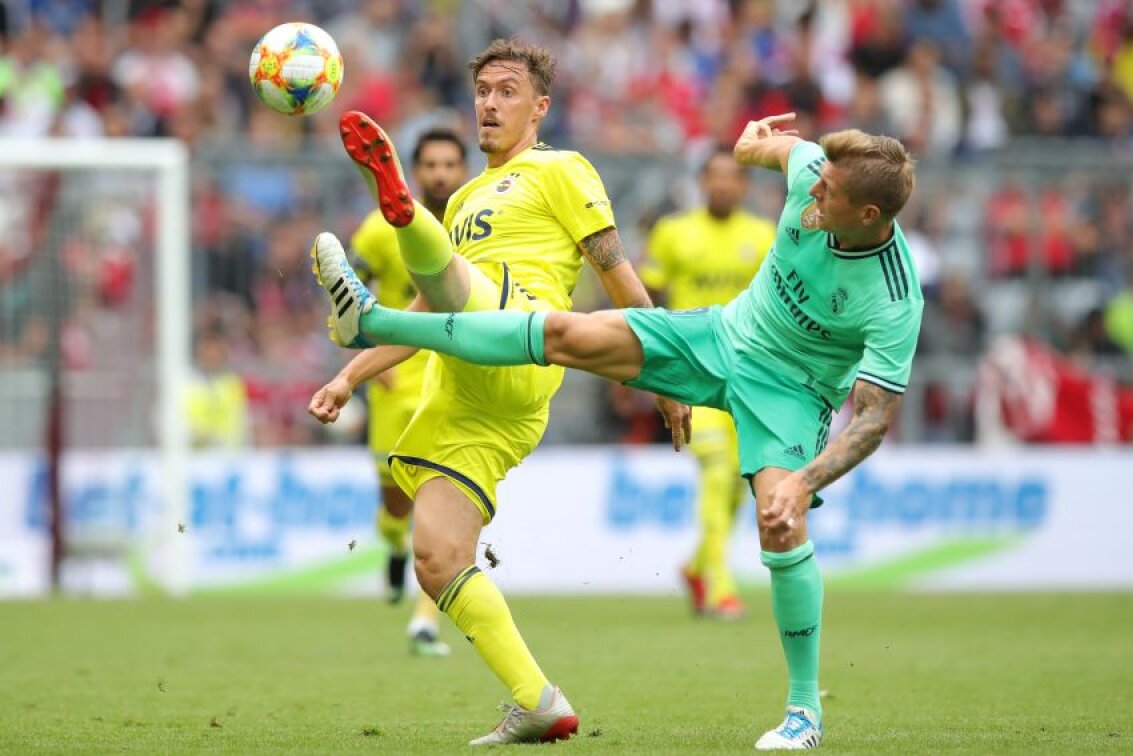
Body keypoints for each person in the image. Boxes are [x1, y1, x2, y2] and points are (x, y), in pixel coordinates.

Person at [312, 114, 923, 751]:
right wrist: (751, 141)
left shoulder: (894, 296)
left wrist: (803, 481)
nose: (813, 197)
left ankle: (804, 713)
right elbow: (759, 148)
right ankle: (372, 322)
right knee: (561, 331)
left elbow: (874, 420)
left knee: (780, 523)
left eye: (829, 197)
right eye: (816, 181)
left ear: (871, 214)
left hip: (791, 395)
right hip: (721, 337)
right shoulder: (810, 174)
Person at [308, 38, 687, 746]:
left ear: (540, 108)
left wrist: (665, 373)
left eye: (508, 90)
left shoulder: (562, 169)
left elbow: (618, 275)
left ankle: (396, 216)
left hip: (523, 336)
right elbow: (434, 312)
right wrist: (349, 375)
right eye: (482, 90)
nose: (489, 102)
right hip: (465, 396)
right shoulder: (469, 199)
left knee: (458, 281)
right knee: (437, 557)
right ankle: (539, 701)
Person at [348, 127, 469, 657]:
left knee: (438, 499)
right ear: (414, 172)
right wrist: (367, 360)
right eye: (431, 165)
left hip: (454, 377)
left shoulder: (478, 224)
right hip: (394, 380)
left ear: (463, 170)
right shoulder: (379, 229)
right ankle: (393, 547)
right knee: (394, 505)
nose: (441, 174)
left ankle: (425, 619)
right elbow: (346, 296)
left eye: (450, 165)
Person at [640, 151, 775, 620]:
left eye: (730, 178)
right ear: (701, 182)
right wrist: (647, 365)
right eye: (713, 177)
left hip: (750, 376)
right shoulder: (674, 232)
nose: (721, 185)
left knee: (741, 481)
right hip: (693, 373)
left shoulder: (763, 237)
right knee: (718, 468)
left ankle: (699, 566)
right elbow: (648, 298)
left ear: (744, 185)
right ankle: (719, 583)